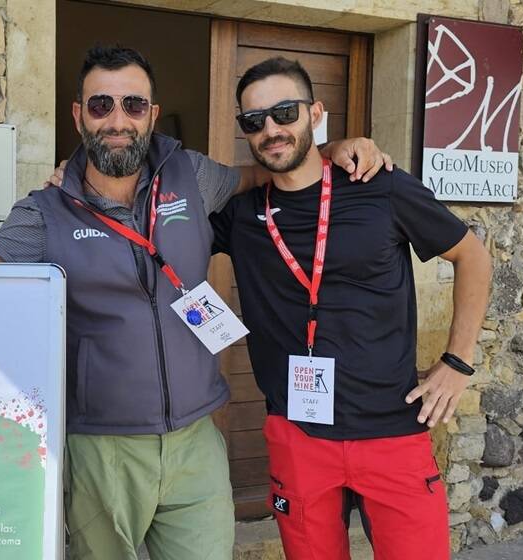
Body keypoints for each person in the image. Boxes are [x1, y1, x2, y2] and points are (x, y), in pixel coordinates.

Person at [0, 46, 389, 560]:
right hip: (102, 446)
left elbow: (266, 171)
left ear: (152, 114)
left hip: (197, 442)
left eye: (133, 105)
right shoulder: (44, 214)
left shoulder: (191, 174)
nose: (117, 120)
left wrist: (335, 146)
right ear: (78, 115)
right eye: (100, 106)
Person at [211, 57, 492, 560]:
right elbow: (165, 204)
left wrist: (457, 361)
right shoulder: (242, 215)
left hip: (392, 430)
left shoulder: (380, 186)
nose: (271, 129)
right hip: (297, 436)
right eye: (254, 121)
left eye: (284, 112)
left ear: (315, 112)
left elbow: (471, 255)